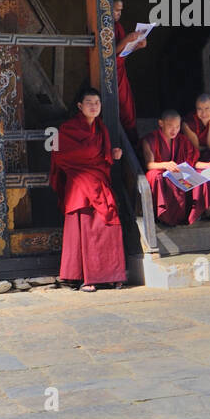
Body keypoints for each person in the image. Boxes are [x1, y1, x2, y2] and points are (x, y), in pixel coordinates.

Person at [49, 87, 127, 291]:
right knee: (86, 228)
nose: (94, 106)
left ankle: (110, 275)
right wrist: (103, 155)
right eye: (89, 103)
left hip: (98, 181)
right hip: (79, 182)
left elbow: (101, 157)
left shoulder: (101, 128)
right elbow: (59, 155)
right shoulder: (67, 129)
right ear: (80, 106)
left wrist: (111, 154)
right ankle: (85, 277)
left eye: (97, 103)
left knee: (109, 223)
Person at [143, 109, 210, 225]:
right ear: (161, 123)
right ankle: (165, 216)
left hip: (179, 173)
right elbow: (149, 164)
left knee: (201, 174)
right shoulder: (150, 139)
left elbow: (191, 162)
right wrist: (165, 164)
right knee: (155, 175)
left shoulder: (182, 140)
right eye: (170, 126)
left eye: (177, 126)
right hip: (163, 174)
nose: (174, 130)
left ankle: (207, 210)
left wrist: (206, 165)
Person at [112, 0, 145, 142]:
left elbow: (121, 53)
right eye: (116, 10)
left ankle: (132, 143)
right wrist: (127, 39)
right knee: (122, 109)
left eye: (120, 11)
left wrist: (136, 46)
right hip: (109, 73)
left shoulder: (118, 26)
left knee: (129, 111)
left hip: (120, 71)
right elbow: (107, 54)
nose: (119, 14)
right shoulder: (101, 26)